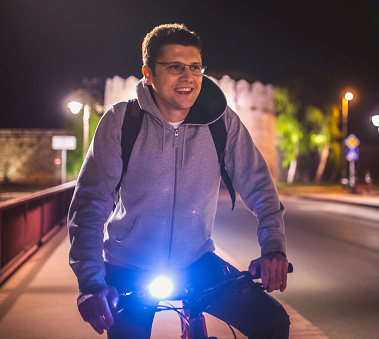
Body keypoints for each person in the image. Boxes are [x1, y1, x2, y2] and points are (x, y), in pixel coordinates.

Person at [68, 23, 290, 338]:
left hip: (196, 261)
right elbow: (90, 205)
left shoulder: (222, 123)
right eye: (175, 67)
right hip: (128, 267)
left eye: (195, 67)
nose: (188, 77)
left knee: (272, 322)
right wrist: (91, 282)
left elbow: (260, 188)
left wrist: (274, 250)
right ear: (148, 73)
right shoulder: (121, 122)